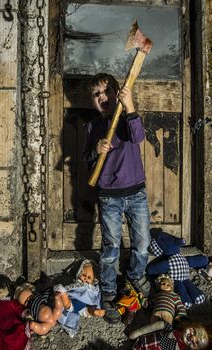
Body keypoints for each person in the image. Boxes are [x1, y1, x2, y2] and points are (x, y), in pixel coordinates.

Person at [83, 73, 151, 322]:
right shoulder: (92, 126)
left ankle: (134, 280)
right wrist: (95, 149)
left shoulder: (125, 118)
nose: (102, 97)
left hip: (136, 192)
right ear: (93, 101)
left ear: (115, 93)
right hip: (109, 196)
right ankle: (110, 290)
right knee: (110, 246)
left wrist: (130, 105)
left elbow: (139, 137)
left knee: (141, 242)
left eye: (106, 91)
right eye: (96, 94)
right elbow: (86, 159)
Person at [53, 259, 105, 337]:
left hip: (87, 303)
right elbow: (71, 290)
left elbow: (95, 295)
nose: (86, 278)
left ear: (93, 280)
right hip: (75, 302)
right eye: (84, 275)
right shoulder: (76, 284)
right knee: (69, 302)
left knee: (91, 308)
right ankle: (65, 299)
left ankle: (95, 311)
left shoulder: (92, 287)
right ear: (79, 273)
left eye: (89, 277)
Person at [129, 274, 187, 339]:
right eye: (163, 283)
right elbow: (150, 304)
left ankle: (165, 338)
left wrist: (180, 316)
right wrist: (143, 300)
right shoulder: (156, 295)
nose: (165, 285)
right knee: (152, 326)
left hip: (168, 313)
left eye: (168, 285)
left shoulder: (175, 296)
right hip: (155, 312)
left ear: (172, 287)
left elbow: (180, 307)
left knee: (167, 326)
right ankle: (144, 335)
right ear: (158, 285)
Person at [132, 320, 210, 350]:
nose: (193, 337)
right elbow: (157, 325)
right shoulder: (170, 329)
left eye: (196, 343)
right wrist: (139, 332)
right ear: (190, 325)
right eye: (194, 332)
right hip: (140, 343)